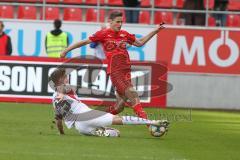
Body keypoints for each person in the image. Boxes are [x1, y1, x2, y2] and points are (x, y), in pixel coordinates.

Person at [60, 11, 165, 120]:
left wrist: (156, 30)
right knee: (133, 95)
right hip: (116, 72)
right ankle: (149, 123)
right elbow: (83, 42)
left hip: (126, 72)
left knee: (119, 107)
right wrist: (66, 50)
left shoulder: (124, 34)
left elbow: (140, 43)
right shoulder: (103, 34)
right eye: (117, 22)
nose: (120, 24)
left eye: (121, 22)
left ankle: (94, 119)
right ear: (110, 22)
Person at [49, 68, 169, 137]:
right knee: (118, 119)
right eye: (65, 76)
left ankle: (103, 130)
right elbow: (63, 90)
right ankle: (153, 122)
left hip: (80, 127)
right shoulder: (66, 88)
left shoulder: (54, 99)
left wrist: (62, 133)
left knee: (115, 134)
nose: (67, 77)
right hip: (87, 115)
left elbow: (59, 120)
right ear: (60, 80)